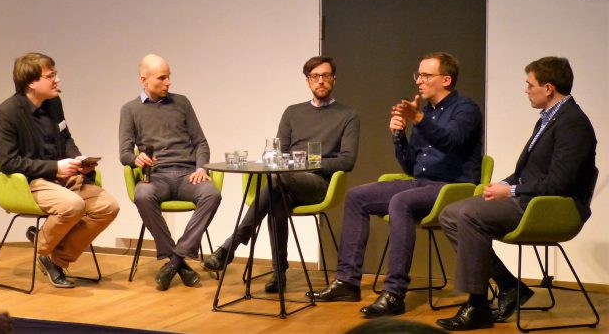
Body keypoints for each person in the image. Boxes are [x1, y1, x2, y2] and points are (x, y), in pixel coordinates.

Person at [311, 52, 483, 318]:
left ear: (446, 80)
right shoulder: (427, 113)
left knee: (400, 202)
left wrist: (418, 120)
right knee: (357, 196)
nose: (419, 81)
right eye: (419, 75)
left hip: (453, 188)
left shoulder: (466, 110)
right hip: (422, 183)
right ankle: (347, 281)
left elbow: (452, 141)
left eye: (426, 75)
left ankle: (394, 293)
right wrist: (399, 137)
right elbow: (411, 167)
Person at [436, 56, 596, 331]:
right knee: (450, 213)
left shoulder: (573, 123)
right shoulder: (549, 119)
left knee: (468, 215)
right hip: (529, 199)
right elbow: (528, 172)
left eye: (529, 84)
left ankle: (477, 305)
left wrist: (509, 190)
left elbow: (560, 183)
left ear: (548, 88)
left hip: (551, 207)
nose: (526, 90)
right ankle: (510, 286)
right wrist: (500, 185)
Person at [201, 56, 360, 293]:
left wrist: (307, 163)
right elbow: (277, 153)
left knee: (277, 181)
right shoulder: (293, 112)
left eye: (326, 76)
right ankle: (278, 274)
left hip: (319, 185)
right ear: (308, 81)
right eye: (315, 77)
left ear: (334, 80)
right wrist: (289, 166)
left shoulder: (347, 115)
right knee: (276, 197)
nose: (321, 81)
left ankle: (231, 246)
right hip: (285, 184)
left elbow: (347, 161)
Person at [0, 53, 120, 288]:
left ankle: (55, 259)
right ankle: (41, 245)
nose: (57, 80)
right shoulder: (8, 113)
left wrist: (78, 160)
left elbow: (65, 137)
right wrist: (55, 168)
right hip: (31, 181)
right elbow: (9, 162)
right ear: (31, 82)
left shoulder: (54, 104)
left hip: (63, 177)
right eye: (50, 76)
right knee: (72, 205)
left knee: (108, 207)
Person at [119, 54, 221, 291]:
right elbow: (124, 153)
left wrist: (201, 168)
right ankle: (180, 262)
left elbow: (201, 143)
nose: (168, 82)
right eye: (162, 78)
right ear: (143, 80)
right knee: (142, 195)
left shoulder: (182, 103)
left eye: (169, 77)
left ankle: (175, 260)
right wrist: (136, 159)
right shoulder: (130, 109)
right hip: (157, 176)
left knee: (211, 194)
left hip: (188, 174)